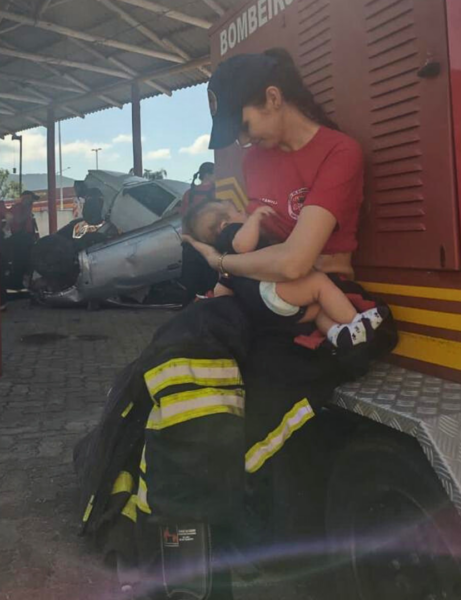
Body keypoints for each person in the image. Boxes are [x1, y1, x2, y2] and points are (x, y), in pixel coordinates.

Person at [75, 48, 398, 600]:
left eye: (245, 126)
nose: (244, 142)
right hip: (256, 300)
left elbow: (296, 262)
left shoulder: (339, 154)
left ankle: (189, 566)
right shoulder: (255, 162)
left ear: (274, 99)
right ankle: (178, 558)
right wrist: (228, 281)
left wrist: (223, 264)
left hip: (308, 310)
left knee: (232, 417)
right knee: (170, 376)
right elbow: (266, 253)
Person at [183, 200, 386, 350]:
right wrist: (255, 218)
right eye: (237, 211)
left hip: (270, 311)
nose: (243, 212)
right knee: (319, 283)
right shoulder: (232, 234)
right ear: (225, 226)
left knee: (319, 309)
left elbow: (222, 291)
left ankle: (337, 332)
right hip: (269, 292)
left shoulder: (227, 262)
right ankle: (356, 322)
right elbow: (242, 245)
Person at [179, 162, 219, 301]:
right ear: (208, 175)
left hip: (191, 243)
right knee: (210, 285)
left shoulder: (189, 194)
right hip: (211, 243)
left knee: (191, 284)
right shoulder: (217, 192)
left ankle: (189, 313)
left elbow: (184, 218)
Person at [6, 190, 39, 289]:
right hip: (20, 239)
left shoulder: (27, 209)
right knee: (20, 263)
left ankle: (25, 284)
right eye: (31, 200)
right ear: (26, 198)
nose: (32, 203)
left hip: (28, 238)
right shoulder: (17, 208)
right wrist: (27, 208)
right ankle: (17, 286)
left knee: (29, 263)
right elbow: (18, 220)